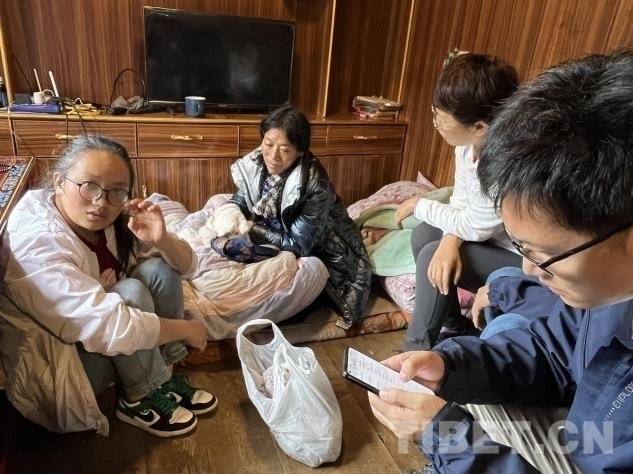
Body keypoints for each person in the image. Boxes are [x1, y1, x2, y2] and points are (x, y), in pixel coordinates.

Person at [368, 49, 633, 473]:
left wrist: (451, 439)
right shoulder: (606, 295)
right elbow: (555, 352)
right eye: (524, 248)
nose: (529, 268)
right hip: (585, 432)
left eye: (544, 254)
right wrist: (452, 365)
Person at [1, 135, 217, 437]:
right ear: (59, 181)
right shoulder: (36, 243)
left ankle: (164, 378)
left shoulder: (114, 218)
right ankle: (139, 396)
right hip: (58, 365)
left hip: (97, 336)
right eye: (89, 185)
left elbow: (189, 267)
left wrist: (163, 239)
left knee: (159, 270)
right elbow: (109, 326)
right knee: (130, 294)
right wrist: (186, 329)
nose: (101, 202)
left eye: (116, 191)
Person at [395, 52, 522, 351]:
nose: (435, 122)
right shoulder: (466, 146)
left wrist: (418, 204)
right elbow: (462, 202)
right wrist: (450, 238)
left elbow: (476, 226)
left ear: (479, 126)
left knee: (431, 253)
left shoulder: (505, 159)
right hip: (490, 238)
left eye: (441, 116)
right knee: (424, 235)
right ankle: (453, 324)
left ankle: (415, 351)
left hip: (521, 259)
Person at [214, 104, 372, 329]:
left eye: (285, 149)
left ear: (300, 151)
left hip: (324, 255)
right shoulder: (258, 163)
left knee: (297, 276)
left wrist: (251, 228)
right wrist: (231, 211)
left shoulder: (315, 186)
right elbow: (242, 200)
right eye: (268, 144)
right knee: (218, 205)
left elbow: (300, 245)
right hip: (278, 234)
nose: (273, 156)